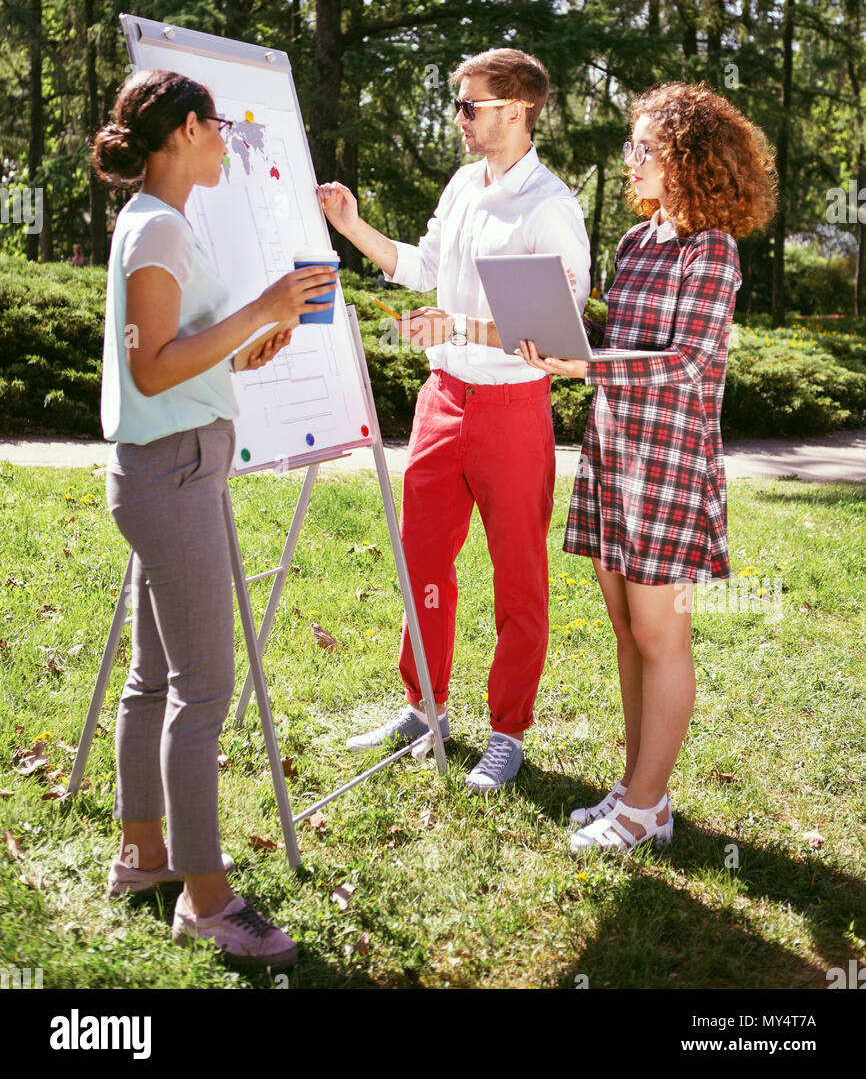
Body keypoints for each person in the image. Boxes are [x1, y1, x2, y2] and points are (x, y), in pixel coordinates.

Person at [92, 68, 337, 965]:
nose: (229, 140)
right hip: (175, 474)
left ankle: (145, 857)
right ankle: (206, 900)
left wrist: (250, 340)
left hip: (167, 466)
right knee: (203, 690)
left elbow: (172, 360)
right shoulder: (156, 226)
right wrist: (264, 308)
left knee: (154, 680)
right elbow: (153, 369)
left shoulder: (158, 223)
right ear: (189, 129)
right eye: (221, 127)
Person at [318, 49, 591, 793]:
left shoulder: (552, 209)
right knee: (423, 565)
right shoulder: (466, 183)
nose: (459, 120)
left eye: (469, 107)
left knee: (518, 577)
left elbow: (557, 334)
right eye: (458, 106)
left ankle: (508, 732)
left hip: (512, 411)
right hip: (441, 402)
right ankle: (425, 707)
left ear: (517, 109)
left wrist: (461, 329)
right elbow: (423, 264)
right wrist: (352, 227)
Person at [518, 81, 777, 852]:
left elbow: (692, 362)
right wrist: (556, 327)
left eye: (644, 150)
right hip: (613, 453)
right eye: (630, 148)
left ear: (686, 160)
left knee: (663, 637)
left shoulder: (713, 248)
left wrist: (585, 362)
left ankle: (644, 805)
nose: (629, 161)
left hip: (668, 463)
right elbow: (619, 337)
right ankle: (641, 796)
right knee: (627, 630)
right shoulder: (635, 244)